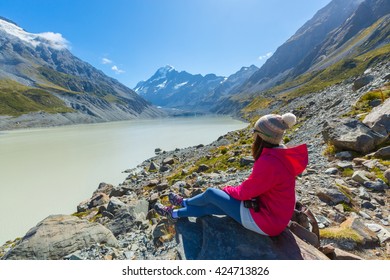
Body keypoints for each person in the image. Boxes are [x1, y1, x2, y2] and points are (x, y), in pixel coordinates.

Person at [154, 113, 308, 236]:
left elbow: (244, 192)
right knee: (209, 207)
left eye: (255, 133)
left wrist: (226, 189)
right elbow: (258, 188)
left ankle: (185, 202)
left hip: (267, 221)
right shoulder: (280, 154)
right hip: (270, 213)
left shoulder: (269, 162)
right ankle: (174, 213)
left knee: (211, 194)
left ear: (261, 137)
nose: (253, 137)